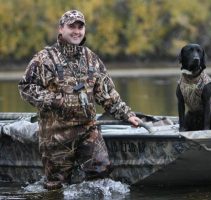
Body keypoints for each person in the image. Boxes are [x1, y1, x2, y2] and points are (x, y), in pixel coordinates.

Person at [18, 10, 141, 190]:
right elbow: (26, 87)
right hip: (56, 135)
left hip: (88, 130)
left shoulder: (91, 58)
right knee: (55, 187)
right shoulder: (45, 58)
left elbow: (106, 93)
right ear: (61, 29)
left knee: (101, 176)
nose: (76, 31)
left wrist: (127, 115)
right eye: (71, 27)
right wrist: (56, 100)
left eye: (80, 27)